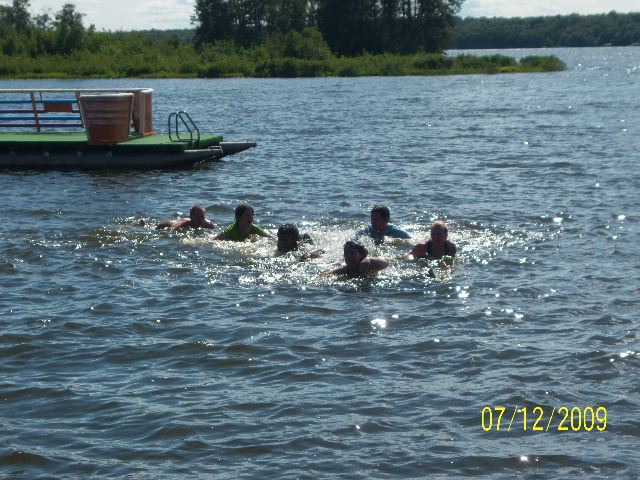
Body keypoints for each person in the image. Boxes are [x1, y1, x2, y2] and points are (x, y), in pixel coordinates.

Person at [323, 240, 389, 277]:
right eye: (346, 253)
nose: (349, 256)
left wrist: (367, 260)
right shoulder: (347, 269)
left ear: (361, 255)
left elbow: (386, 263)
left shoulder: (367, 262)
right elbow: (330, 273)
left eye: (352, 253)